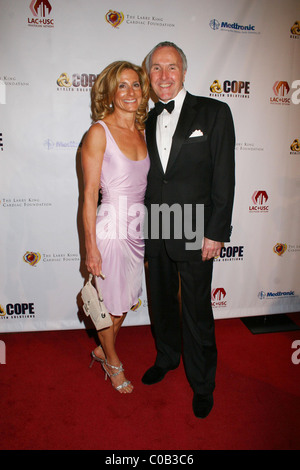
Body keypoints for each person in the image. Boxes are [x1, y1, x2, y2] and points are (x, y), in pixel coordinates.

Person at [141, 42, 235, 417]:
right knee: (161, 300)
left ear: (184, 71)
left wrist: (217, 231)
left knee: (196, 309)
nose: (164, 76)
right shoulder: (144, 120)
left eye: (172, 67)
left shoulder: (214, 112)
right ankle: (167, 357)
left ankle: (202, 382)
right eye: (156, 69)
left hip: (197, 227)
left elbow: (224, 176)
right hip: (157, 223)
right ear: (149, 75)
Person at [81, 61, 150, 393]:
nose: (130, 92)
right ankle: (112, 362)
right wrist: (90, 247)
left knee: (125, 300)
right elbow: (89, 195)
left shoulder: (142, 131)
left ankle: (100, 348)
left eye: (135, 85)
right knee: (111, 303)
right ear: (109, 92)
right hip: (110, 228)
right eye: (122, 86)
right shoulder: (98, 132)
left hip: (138, 228)